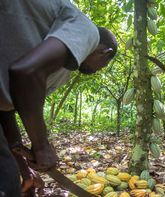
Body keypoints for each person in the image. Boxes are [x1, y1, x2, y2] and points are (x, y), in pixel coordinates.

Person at [0, 0, 118, 196]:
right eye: (102, 67)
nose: (95, 72)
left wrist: (24, 169)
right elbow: (24, 73)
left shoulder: (60, 67)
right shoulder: (88, 31)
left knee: (9, 180)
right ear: (105, 52)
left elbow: (5, 110)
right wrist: (42, 146)